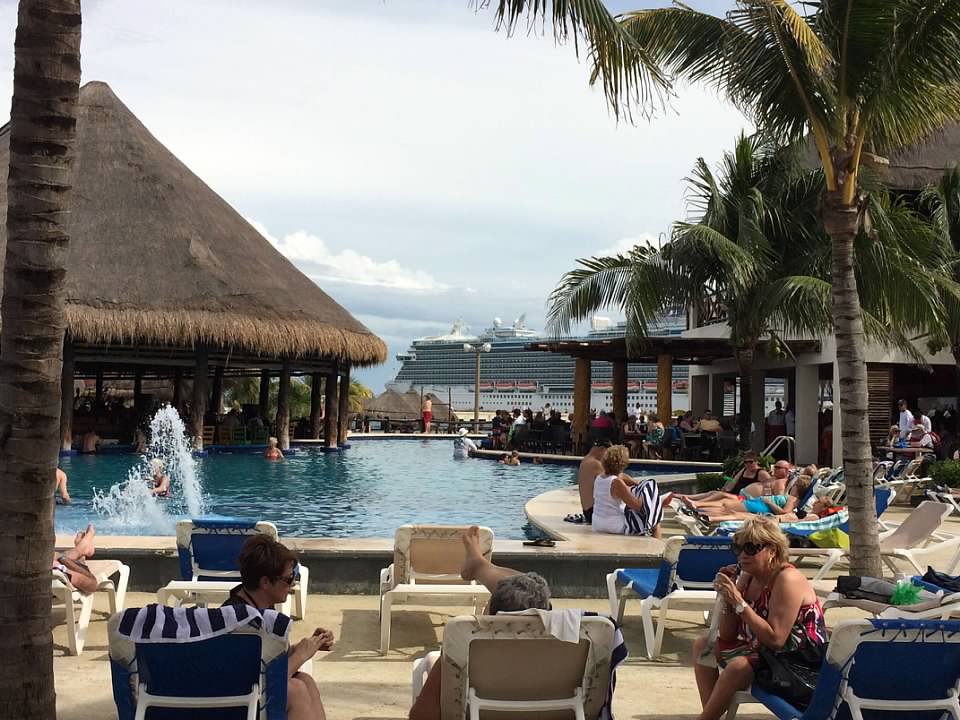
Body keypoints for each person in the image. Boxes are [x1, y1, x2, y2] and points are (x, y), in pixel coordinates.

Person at [410, 527, 553, 720]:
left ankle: (479, 566)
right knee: (534, 596)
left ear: (491, 616)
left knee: (526, 596)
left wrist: (442, 664)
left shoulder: (470, 649)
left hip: (475, 704)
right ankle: (479, 566)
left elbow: (421, 715)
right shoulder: (567, 648)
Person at [692, 517, 826, 720]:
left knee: (738, 667)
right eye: (738, 548)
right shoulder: (749, 576)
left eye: (751, 548)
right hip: (764, 652)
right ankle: (711, 715)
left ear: (772, 550)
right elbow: (728, 635)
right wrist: (729, 597)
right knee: (704, 646)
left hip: (796, 659)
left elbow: (776, 639)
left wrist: (740, 603)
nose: (742, 555)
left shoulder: (786, 579)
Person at [223, 535, 332, 720]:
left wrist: (309, 645)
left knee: (305, 680)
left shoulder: (259, 606)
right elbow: (265, 681)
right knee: (295, 690)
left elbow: (266, 660)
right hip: (237, 702)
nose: (293, 584)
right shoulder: (241, 620)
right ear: (265, 582)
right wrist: (300, 655)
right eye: (288, 579)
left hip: (247, 693)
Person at [591, 445, 663, 537]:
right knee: (655, 518)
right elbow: (637, 506)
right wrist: (649, 498)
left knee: (653, 509)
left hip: (597, 523)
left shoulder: (599, 478)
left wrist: (639, 487)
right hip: (614, 525)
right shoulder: (616, 483)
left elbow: (627, 478)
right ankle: (658, 544)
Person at [565, 438, 611, 524]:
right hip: (594, 513)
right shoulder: (596, 464)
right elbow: (614, 480)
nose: (607, 457)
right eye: (607, 454)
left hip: (587, 512)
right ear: (602, 449)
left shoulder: (585, 460)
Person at [52, 523, 99, 594]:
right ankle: (80, 551)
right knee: (92, 582)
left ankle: (80, 551)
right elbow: (92, 586)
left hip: (49, 565)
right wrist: (62, 559)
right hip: (53, 573)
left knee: (55, 556)